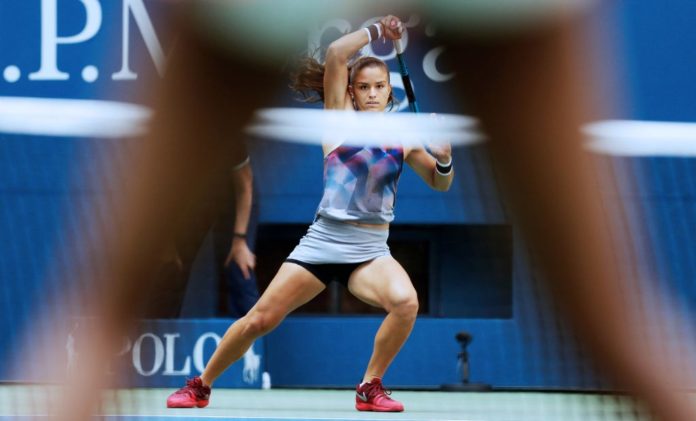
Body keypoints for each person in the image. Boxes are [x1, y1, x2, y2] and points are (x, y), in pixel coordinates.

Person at [165, 14, 454, 412]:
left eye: (379, 87)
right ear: (351, 92)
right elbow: (336, 53)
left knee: (406, 303)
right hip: (323, 244)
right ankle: (201, 385)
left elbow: (440, 183)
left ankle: (369, 386)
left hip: (371, 250)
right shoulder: (339, 121)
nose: (372, 94)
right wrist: (377, 31)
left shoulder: (403, 140)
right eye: (364, 87)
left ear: (390, 91)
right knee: (260, 320)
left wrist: (444, 159)